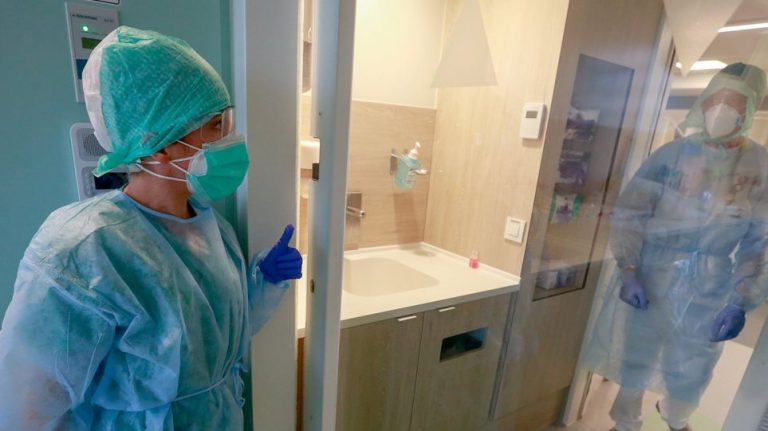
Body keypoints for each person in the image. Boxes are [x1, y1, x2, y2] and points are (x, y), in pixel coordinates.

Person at [0, 26, 302, 429]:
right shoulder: (83, 251)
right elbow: (25, 408)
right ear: (159, 144)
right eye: (216, 125)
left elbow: (214, 342)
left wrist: (262, 281)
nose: (230, 137)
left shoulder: (212, 228)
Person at [585, 63, 768, 431]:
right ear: (704, 102)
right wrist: (629, 269)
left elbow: (760, 241)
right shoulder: (671, 155)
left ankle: (676, 415)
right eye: (715, 100)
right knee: (636, 357)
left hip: (711, 283)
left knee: (693, 364)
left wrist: (740, 299)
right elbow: (630, 213)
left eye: (733, 103)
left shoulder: (760, 166)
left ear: (749, 111)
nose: (720, 110)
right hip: (652, 274)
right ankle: (626, 423)